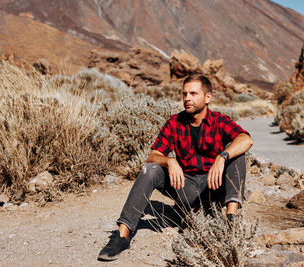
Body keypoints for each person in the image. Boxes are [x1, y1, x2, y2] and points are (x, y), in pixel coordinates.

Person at [98, 74, 253, 261]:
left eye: (194, 93)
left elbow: (246, 139)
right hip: (185, 188)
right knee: (151, 169)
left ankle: (230, 222)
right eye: (185, 94)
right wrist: (169, 161)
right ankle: (122, 236)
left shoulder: (219, 121)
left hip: (213, 189)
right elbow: (152, 156)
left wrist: (222, 156)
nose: (187, 98)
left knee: (237, 155)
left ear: (208, 97)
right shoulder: (175, 123)